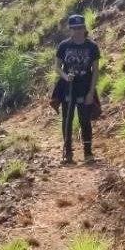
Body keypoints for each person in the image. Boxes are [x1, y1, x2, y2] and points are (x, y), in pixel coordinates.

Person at [51, 14, 101, 164]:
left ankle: (88, 153)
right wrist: (66, 77)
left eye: (80, 28)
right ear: (70, 30)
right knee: (67, 119)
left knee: (85, 119)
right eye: (74, 28)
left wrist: (91, 92)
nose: (78, 31)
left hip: (85, 87)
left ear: (84, 28)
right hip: (68, 87)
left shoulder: (92, 47)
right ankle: (68, 153)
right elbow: (57, 67)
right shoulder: (64, 46)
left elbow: (96, 71)